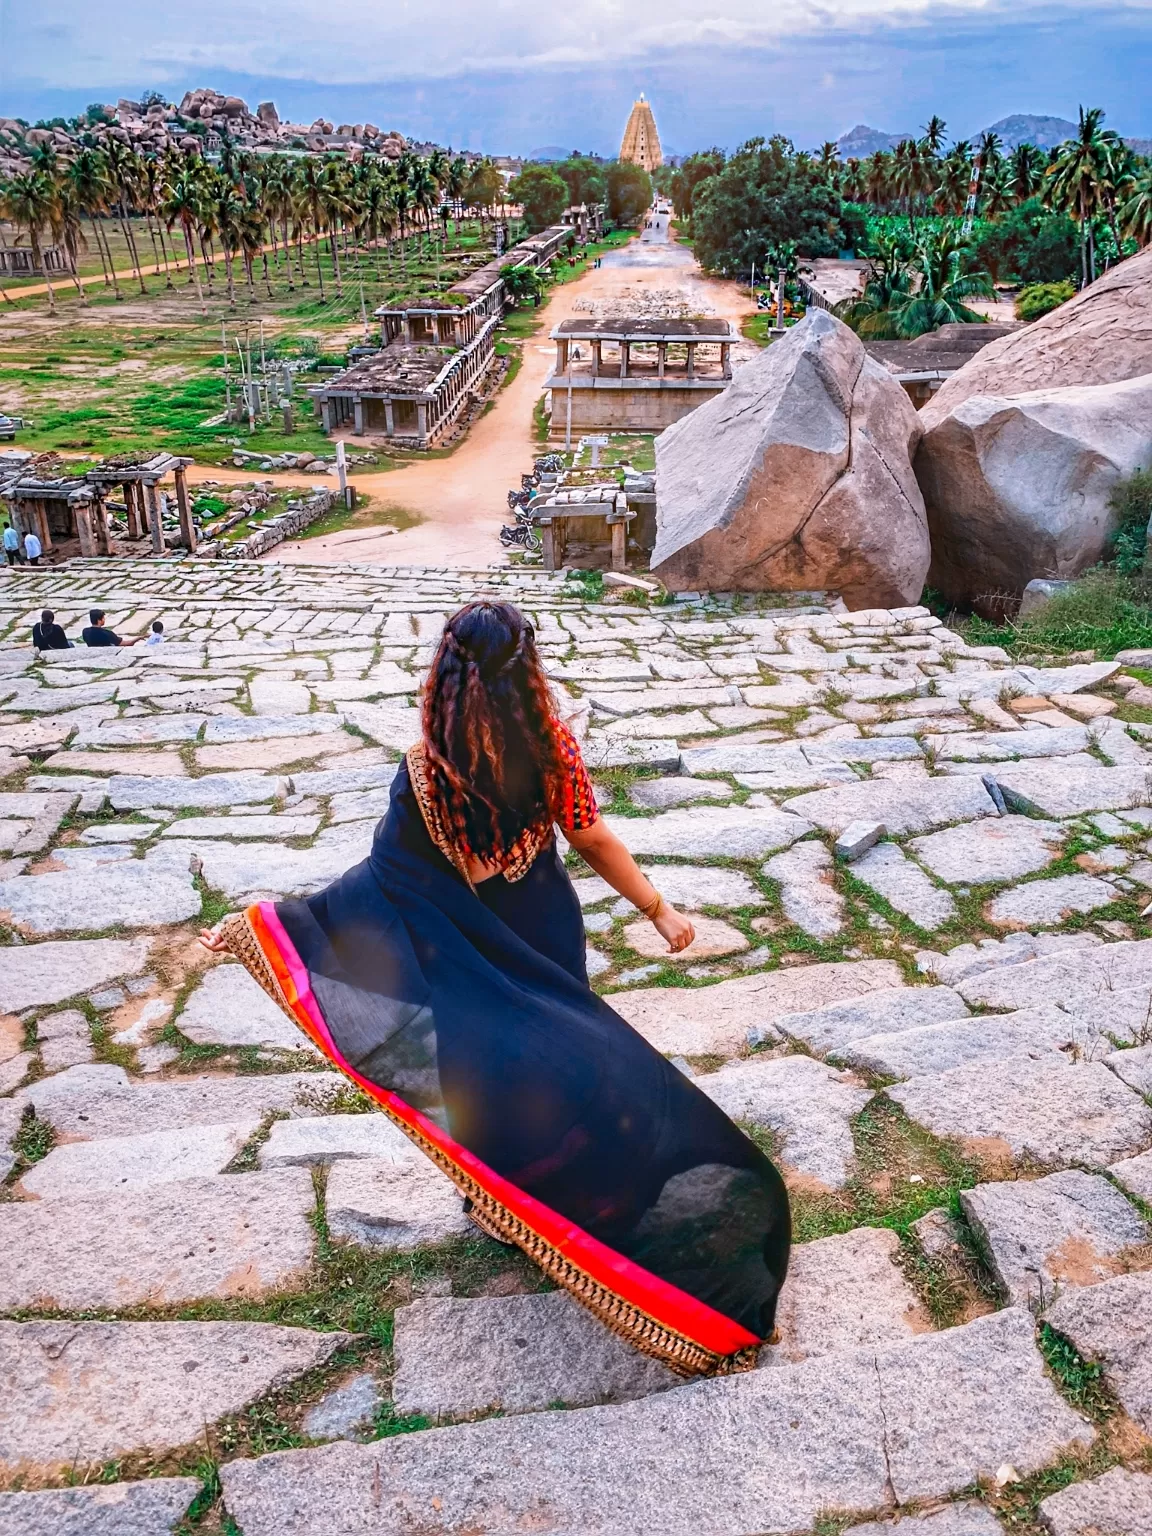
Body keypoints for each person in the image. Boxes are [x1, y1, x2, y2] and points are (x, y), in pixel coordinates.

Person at [201, 601, 790, 1375]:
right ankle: (596, 1198)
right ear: (529, 673)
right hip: (543, 932)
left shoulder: (424, 773)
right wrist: (658, 908)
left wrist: (273, 927)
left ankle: (504, 1202)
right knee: (569, 1065)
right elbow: (592, 837)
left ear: (444, 674)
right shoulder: (551, 753)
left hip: (460, 956)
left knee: (481, 1077)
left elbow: (383, 885)